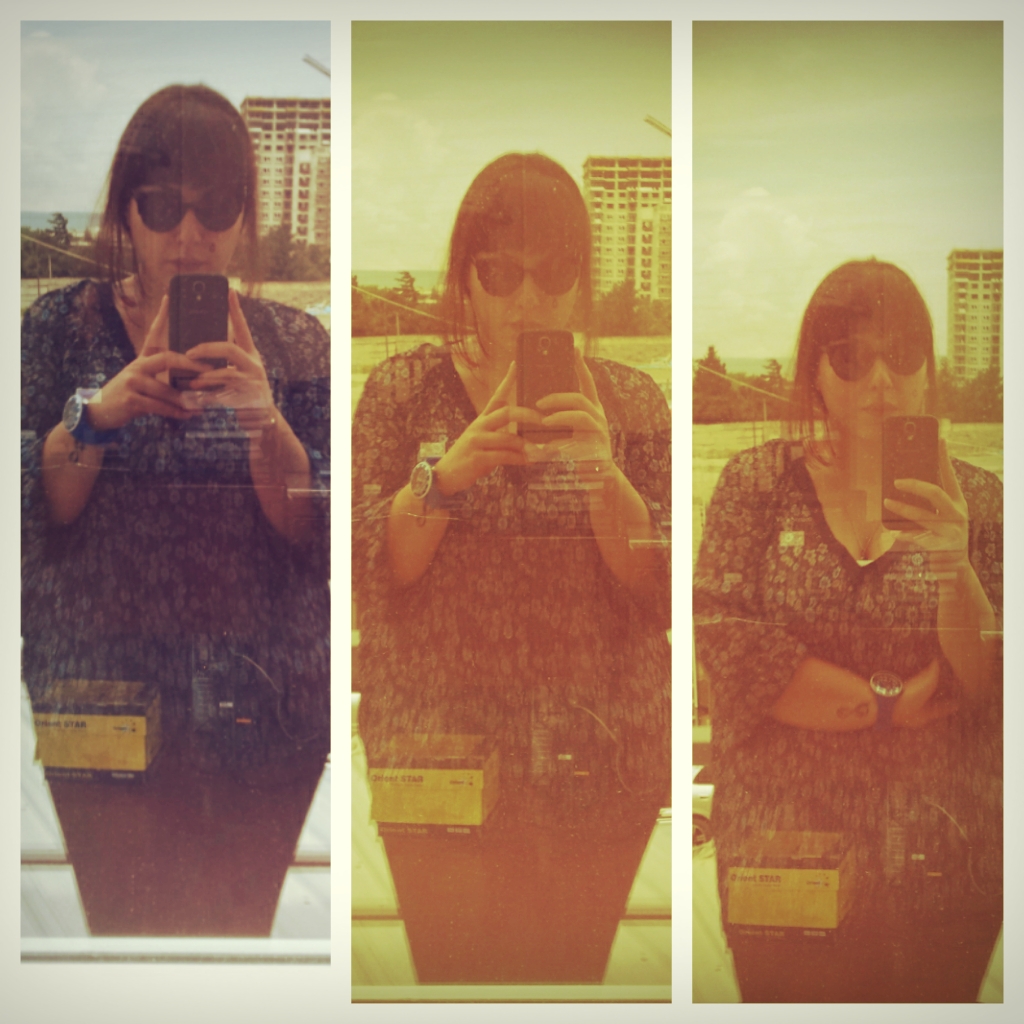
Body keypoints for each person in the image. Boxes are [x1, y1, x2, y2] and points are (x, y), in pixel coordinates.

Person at [352, 152, 671, 982]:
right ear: (465, 279)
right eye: (501, 273)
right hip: (435, 757)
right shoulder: (403, 391)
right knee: (454, 978)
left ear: (582, 279)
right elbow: (371, 571)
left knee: (568, 979)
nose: (528, 297)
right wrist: (446, 475)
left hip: (600, 762)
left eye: (554, 271)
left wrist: (605, 477)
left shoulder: (633, 403)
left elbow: (661, 589)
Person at [21, 83, 330, 892]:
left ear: (244, 215)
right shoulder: (58, 330)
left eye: (216, 205)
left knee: (242, 933)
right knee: (118, 929)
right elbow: (36, 513)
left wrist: (266, 424)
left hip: (266, 718)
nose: (190, 235)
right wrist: (99, 415)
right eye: (161, 206)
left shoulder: (297, 343)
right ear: (126, 213)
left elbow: (315, 533)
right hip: (99, 708)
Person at [693, 259, 1002, 1002]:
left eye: (901, 355)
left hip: (942, 860)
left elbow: (993, 681)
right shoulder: (757, 485)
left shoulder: (982, 502)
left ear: (928, 370)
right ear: (816, 374)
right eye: (851, 358)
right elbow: (727, 646)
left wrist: (953, 566)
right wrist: (889, 705)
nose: (881, 380)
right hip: (782, 853)